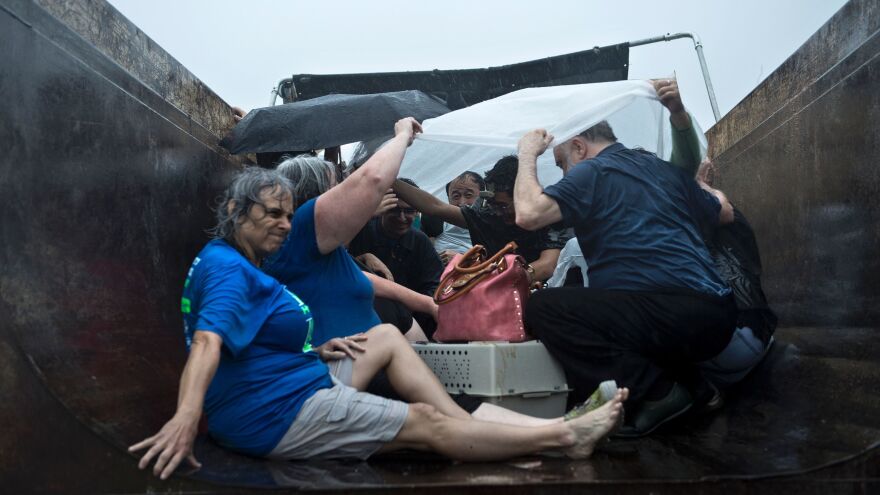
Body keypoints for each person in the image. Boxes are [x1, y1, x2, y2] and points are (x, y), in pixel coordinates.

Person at [128, 122, 629, 479]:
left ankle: (485, 434)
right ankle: (559, 438)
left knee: (394, 340)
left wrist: (422, 309)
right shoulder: (270, 249)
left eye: (285, 214)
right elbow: (210, 342)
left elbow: (350, 295)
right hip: (278, 409)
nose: (282, 223)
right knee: (434, 423)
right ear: (239, 210)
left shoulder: (263, 259)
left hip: (300, 376)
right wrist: (186, 417)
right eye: (272, 214)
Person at [512, 111, 736, 437]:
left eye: (561, 164)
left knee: (544, 307)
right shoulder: (661, 168)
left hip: (668, 312)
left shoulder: (593, 170)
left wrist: (527, 153)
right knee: (614, 311)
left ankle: (656, 393)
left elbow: (528, 213)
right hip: (718, 315)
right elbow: (725, 212)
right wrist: (700, 185)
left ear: (579, 147)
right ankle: (697, 389)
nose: (564, 173)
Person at [265, 154, 433, 342]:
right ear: (316, 198)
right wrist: (403, 135)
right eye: (336, 187)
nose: (343, 193)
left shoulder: (419, 241)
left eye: (409, 211)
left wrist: (428, 304)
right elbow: (374, 178)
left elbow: (360, 276)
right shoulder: (299, 236)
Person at [393, 156, 570, 283]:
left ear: (522, 196)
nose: (499, 212)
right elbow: (435, 207)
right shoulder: (489, 217)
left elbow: (547, 265)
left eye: (503, 206)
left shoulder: (550, 215)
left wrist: (496, 279)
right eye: (493, 205)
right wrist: (389, 180)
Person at [348, 178, 444, 298]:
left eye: (409, 211)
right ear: (382, 207)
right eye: (395, 209)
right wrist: (361, 259)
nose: (402, 218)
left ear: (416, 213)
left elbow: (436, 285)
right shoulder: (360, 231)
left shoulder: (420, 241)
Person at [434, 171, 485, 265]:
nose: (462, 203)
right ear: (448, 199)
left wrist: (462, 259)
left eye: (468, 195)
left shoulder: (492, 225)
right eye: (456, 196)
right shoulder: (436, 225)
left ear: (482, 197)